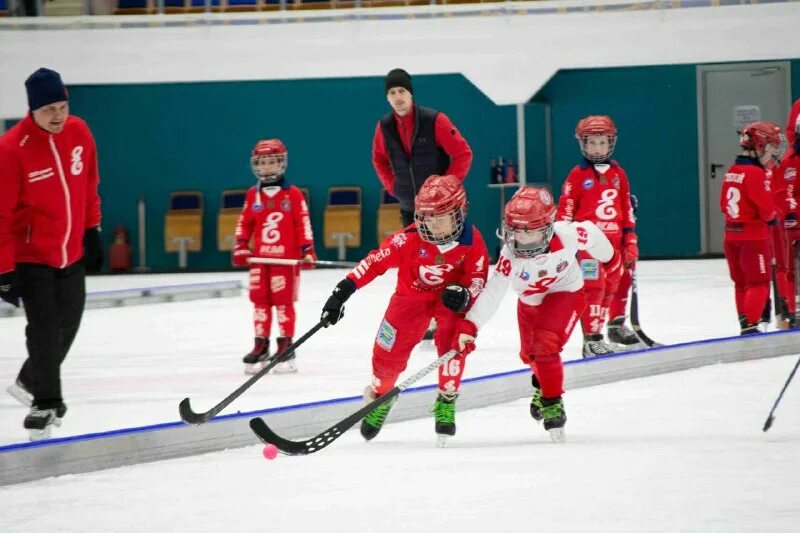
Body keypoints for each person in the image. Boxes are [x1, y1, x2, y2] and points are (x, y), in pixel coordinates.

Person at [320, 175, 489, 445]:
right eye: (426, 216)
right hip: (410, 300)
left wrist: (466, 293)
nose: (432, 223)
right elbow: (374, 262)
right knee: (386, 358)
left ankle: (447, 397)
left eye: (440, 216)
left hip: (448, 302)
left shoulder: (473, 242)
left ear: (459, 212)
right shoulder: (409, 239)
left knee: (454, 341)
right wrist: (342, 292)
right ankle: (381, 398)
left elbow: (478, 279)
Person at [451, 187, 613, 443]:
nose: (522, 240)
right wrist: (470, 325)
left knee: (545, 345)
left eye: (532, 232)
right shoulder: (509, 256)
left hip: (566, 292)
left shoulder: (568, 235)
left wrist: (610, 258)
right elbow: (493, 292)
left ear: (548, 227)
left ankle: (553, 401)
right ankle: (542, 383)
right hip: (530, 301)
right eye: (516, 231)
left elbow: (592, 233)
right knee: (530, 356)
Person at [0, 67, 104, 440]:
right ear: (32, 111)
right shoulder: (12, 149)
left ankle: (31, 379)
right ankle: (45, 403)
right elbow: (1, 214)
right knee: (43, 331)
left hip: (71, 251)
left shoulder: (79, 132)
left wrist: (92, 231)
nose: (58, 115)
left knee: (69, 323)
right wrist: (3, 270)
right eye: (49, 110)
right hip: (31, 257)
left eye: (62, 106)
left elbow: (89, 182)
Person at [371, 69, 474, 342]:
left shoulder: (434, 120)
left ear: (411, 93)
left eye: (401, 91)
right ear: (387, 98)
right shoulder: (384, 127)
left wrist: (448, 188)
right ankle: (425, 318)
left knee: (449, 262)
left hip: (444, 211)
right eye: (392, 93)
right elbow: (378, 159)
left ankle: (451, 313)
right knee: (417, 263)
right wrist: (394, 187)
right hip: (411, 207)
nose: (397, 97)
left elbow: (463, 153)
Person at [232, 139, 316, 375]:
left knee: (283, 303)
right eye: (263, 162)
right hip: (260, 261)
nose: (267, 167)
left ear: (282, 163)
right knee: (259, 302)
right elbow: (244, 223)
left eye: (272, 162)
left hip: (285, 262)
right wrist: (241, 246)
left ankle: (286, 346)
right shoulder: (252, 195)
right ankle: (261, 344)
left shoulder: (293, 194)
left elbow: (303, 223)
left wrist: (307, 250)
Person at [556, 115, 637, 357]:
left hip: (614, 245)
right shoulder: (577, 175)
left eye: (603, 142)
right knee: (594, 288)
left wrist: (630, 240)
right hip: (588, 246)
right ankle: (591, 339)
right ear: (583, 143)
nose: (598, 148)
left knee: (612, 288)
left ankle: (610, 328)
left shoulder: (619, 173)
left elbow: (626, 209)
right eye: (592, 142)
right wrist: (565, 243)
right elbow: (566, 210)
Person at [719, 121, 783, 335]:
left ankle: (746, 322)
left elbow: (722, 205)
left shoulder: (732, 170)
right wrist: (773, 218)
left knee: (741, 283)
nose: (772, 154)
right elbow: (766, 210)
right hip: (754, 239)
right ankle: (751, 326)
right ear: (759, 145)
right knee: (759, 282)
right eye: (771, 148)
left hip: (731, 237)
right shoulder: (756, 174)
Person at [605, 193, 646, 348]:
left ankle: (615, 326)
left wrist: (630, 246)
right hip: (596, 245)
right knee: (595, 290)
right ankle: (591, 335)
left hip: (618, 244)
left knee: (624, 281)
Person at [773, 116, 800, 327]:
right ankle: (794, 312)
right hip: (797, 225)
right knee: (793, 270)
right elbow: (787, 193)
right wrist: (792, 219)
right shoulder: (792, 159)